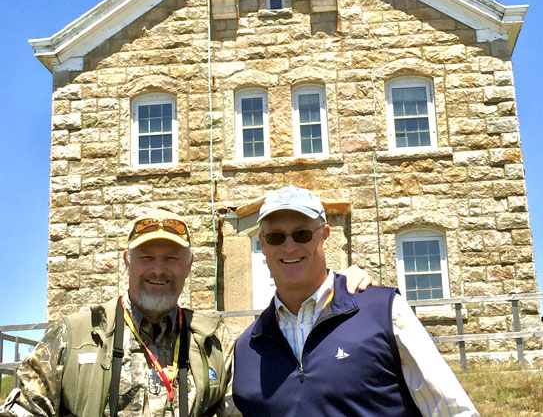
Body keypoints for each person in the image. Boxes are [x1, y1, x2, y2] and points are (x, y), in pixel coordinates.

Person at [1, 206, 373, 417]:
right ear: (126, 263)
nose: (158, 269)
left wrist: (335, 288)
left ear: (190, 264)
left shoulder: (215, 343)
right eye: (146, 257)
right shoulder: (73, 335)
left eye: (171, 258)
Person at [233, 186, 481, 417]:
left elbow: (453, 411)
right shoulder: (248, 347)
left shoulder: (383, 313)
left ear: (325, 237)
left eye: (302, 234)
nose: (289, 246)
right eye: (276, 237)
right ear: (263, 244)